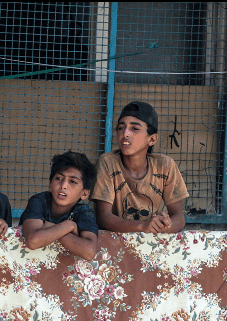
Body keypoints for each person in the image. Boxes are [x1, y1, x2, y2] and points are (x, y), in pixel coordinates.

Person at [90, 101, 189, 234]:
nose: (125, 133)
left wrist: (164, 225)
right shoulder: (107, 163)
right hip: (114, 240)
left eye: (134, 129)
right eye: (121, 127)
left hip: (151, 240)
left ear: (152, 139)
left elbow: (178, 218)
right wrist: (142, 226)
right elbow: (103, 218)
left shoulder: (165, 166)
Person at [20, 151, 99, 260]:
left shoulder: (84, 212)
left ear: (84, 193)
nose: (63, 185)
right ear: (50, 184)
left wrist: (50, 226)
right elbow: (32, 241)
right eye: (58, 178)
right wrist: (69, 226)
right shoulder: (39, 201)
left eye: (73, 181)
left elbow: (89, 252)